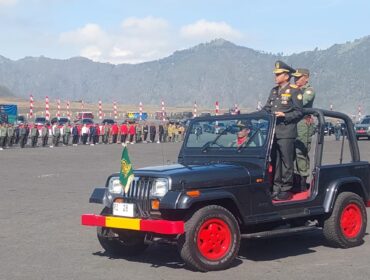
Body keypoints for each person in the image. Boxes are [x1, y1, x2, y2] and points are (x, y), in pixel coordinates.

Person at [263, 61, 303, 200]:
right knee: (275, 160)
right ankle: (275, 188)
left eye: (278, 74)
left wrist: (284, 115)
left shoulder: (294, 90)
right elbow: (267, 108)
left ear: (286, 76)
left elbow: (299, 112)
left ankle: (286, 188)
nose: (276, 76)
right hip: (274, 132)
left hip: (286, 132)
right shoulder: (274, 91)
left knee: (286, 161)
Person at [292, 68, 316, 191]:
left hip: (302, 123)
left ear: (306, 77)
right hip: (292, 123)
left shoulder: (308, 90)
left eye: (299, 77)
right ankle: (294, 179)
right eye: (295, 77)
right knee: (290, 153)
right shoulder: (293, 90)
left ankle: (302, 180)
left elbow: (300, 102)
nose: (296, 79)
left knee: (301, 152)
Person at [294, 115, 315, 191]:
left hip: (302, 119)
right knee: (295, 157)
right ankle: (297, 183)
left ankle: (301, 184)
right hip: (295, 119)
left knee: (301, 155)